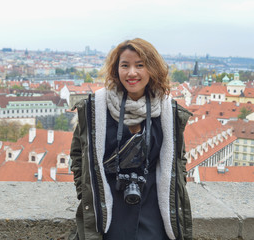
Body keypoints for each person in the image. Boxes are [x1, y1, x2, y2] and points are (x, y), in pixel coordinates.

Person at [70, 38, 193, 240]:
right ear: (116, 69)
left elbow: (179, 160)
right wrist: (87, 195)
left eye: (140, 65)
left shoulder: (167, 112)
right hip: (108, 210)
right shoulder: (95, 109)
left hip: (154, 211)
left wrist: (174, 195)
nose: (132, 73)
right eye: (125, 65)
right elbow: (78, 156)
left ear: (151, 69)